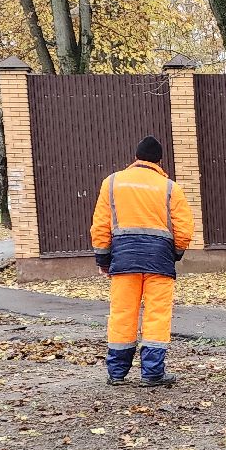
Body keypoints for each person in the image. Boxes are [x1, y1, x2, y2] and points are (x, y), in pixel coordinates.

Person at [90, 135, 194, 387]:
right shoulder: (170, 187)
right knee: (157, 316)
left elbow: (101, 226)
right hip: (159, 260)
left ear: (135, 157)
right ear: (159, 161)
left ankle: (116, 372)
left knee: (122, 314)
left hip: (123, 259)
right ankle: (152, 373)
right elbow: (184, 230)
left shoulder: (112, 183)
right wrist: (175, 253)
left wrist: (103, 260)